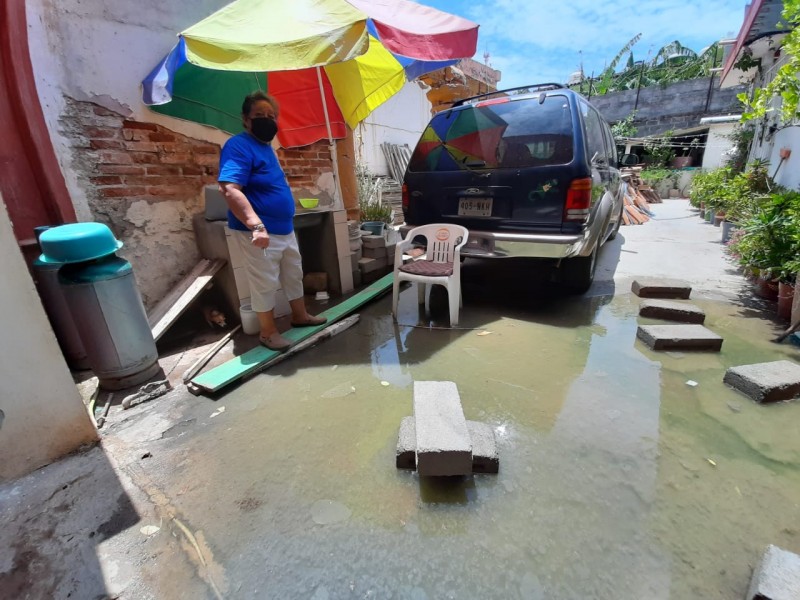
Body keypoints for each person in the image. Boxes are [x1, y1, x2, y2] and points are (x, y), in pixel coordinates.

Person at [218, 91, 326, 351]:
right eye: (259, 116)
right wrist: (256, 226)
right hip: (260, 231)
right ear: (245, 119)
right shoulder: (238, 146)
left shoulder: (267, 149)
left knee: (293, 273)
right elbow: (230, 189)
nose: (267, 120)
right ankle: (267, 333)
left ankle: (299, 316)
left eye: (271, 116)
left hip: (284, 228)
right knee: (264, 281)